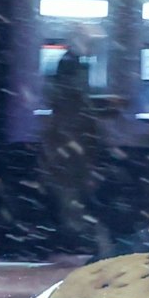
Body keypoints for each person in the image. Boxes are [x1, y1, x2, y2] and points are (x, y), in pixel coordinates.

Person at [41, 49, 104, 256]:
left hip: (66, 170)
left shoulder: (59, 101)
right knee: (74, 212)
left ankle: (70, 248)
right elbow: (85, 136)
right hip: (73, 170)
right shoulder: (75, 102)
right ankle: (76, 249)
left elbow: (54, 136)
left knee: (69, 211)